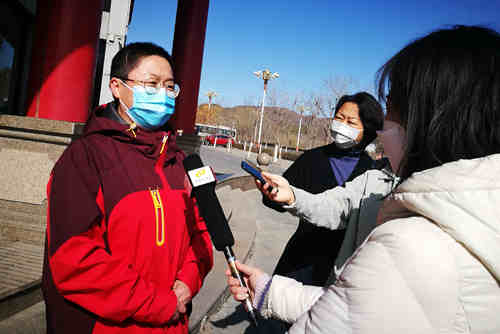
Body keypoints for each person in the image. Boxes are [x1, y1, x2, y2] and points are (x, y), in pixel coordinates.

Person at [228, 25, 500, 333]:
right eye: (338, 118)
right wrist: (271, 290)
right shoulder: (370, 177)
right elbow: (362, 304)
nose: (388, 119)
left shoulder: (408, 245)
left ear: (433, 117)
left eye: (394, 104)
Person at [42, 42, 213, 334]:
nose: (162, 94)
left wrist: (188, 282)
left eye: (170, 86)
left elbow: (203, 231)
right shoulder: (85, 158)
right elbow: (74, 260)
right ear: (117, 87)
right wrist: (158, 304)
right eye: (151, 84)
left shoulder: (182, 162)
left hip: (173, 322)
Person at [265, 92, 384, 286]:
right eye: (339, 118)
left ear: (368, 129)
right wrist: (272, 193)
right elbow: (277, 201)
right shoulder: (311, 159)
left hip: (346, 268)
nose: (342, 125)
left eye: (351, 122)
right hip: (301, 261)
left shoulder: (373, 171)